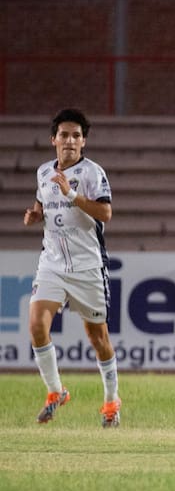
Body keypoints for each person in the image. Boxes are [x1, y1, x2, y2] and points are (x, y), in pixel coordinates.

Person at [23, 108, 121, 427]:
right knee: (37, 324)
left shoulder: (93, 173)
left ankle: (111, 402)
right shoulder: (43, 173)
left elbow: (105, 213)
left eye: (76, 136)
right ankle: (56, 392)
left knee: (98, 339)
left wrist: (72, 194)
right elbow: (42, 200)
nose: (70, 141)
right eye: (64, 135)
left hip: (87, 266)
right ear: (53, 140)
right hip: (51, 263)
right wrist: (36, 213)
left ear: (83, 142)